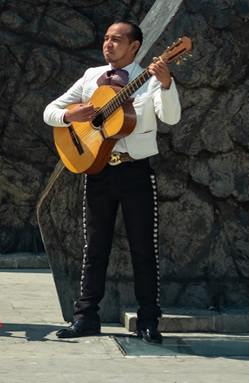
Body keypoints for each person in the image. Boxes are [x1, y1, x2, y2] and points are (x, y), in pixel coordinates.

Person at [43, 21, 181, 343]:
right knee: (95, 248)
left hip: (135, 172)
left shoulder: (146, 80)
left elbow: (171, 118)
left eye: (116, 40)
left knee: (144, 249)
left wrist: (166, 84)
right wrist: (70, 116)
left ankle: (148, 320)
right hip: (98, 170)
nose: (108, 44)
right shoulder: (92, 77)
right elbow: (50, 110)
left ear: (134, 47)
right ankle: (86, 317)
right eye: (106, 38)